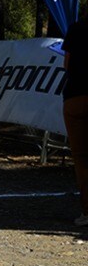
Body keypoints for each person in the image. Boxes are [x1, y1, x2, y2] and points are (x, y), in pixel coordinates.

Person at [62, 12, 88, 227]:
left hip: (76, 97)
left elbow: (66, 65)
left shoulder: (76, 29)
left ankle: (86, 211)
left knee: (81, 159)